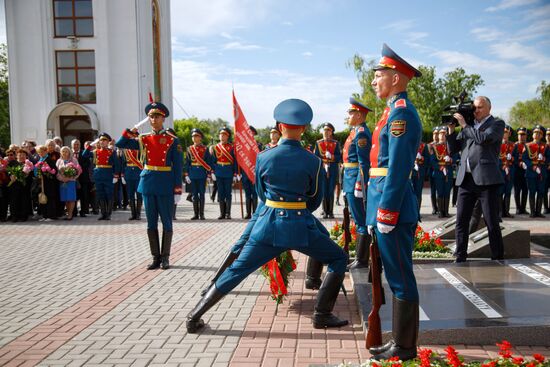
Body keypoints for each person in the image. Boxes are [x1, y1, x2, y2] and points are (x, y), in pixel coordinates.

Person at [186, 98, 349, 333]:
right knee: (338, 258)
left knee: (237, 271)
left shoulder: (263, 157)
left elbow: (262, 194)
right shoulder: (313, 161)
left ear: (280, 126)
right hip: (301, 226)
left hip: (268, 226)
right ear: (303, 128)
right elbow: (314, 198)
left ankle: (194, 316)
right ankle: (322, 314)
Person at [365, 44, 422, 361]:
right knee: (394, 275)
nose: (374, 81)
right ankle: (399, 342)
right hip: (384, 203)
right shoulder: (391, 112)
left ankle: (405, 346)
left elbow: (398, 167)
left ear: (396, 78)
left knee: (401, 276)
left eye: (378, 75)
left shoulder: (401, 114)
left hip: (394, 208)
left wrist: (386, 210)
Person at [116, 102, 183, 270]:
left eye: (157, 116)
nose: (154, 119)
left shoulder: (172, 140)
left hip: (165, 183)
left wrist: (177, 188)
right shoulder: (142, 138)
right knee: (151, 223)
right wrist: (130, 132)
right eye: (151, 116)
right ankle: (156, 257)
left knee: (167, 222)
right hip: (147, 183)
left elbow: (178, 166)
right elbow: (120, 144)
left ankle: (166, 257)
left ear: (163, 118)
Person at [447, 96, 505, 262]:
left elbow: (483, 139)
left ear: (489, 108)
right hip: (466, 179)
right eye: (474, 108)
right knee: (461, 221)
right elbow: (453, 149)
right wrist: (452, 130)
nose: (476, 110)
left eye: (480, 107)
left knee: (491, 221)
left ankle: (498, 256)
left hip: (487, 181)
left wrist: (464, 125)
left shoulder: (497, 124)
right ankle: (460, 256)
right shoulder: (470, 126)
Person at [343, 97, 372, 270]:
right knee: (356, 219)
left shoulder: (361, 132)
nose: (348, 115)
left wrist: (360, 184)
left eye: (351, 112)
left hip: (355, 180)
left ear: (359, 115)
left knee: (361, 220)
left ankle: (361, 261)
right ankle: (358, 258)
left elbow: (364, 162)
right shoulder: (355, 131)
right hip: (349, 178)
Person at [87, 133, 120, 220]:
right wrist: (91, 145)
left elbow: (117, 164)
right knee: (100, 194)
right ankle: (103, 213)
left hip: (108, 175)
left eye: (104, 140)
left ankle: (108, 214)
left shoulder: (112, 152)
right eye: (101, 140)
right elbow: (84, 155)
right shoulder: (95, 151)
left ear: (108, 142)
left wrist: (116, 176)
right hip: (98, 175)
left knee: (108, 194)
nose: (102, 142)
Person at [314, 122, 342, 219]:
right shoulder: (318, 143)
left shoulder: (335, 143)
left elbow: (339, 157)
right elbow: (316, 157)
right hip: (322, 169)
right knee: (323, 190)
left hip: (332, 169)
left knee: (330, 190)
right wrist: (323, 162)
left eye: (328, 130)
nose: (325, 132)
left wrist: (332, 156)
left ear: (331, 132)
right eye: (324, 130)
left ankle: (331, 212)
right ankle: (325, 211)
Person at [185, 128, 212, 220]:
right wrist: (186, 174)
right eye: (192, 136)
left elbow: (208, 162)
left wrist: (209, 175)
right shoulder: (189, 149)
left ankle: (202, 214)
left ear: (200, 137)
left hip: (201, 174)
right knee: (194, 195)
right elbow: (187, 163)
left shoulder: (205, 149)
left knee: (202, 194)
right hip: (192, 173)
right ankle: (195, 214)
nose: (194, 138)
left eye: (196, 136)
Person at [522, 125, 548, 218]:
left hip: (541, 172)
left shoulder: (545, 146)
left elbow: (549, 158)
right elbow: (524, 158)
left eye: (539, 133)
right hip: (531, 173)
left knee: (541, 192)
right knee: (532, 192)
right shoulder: (528, 145)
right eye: (535, 132)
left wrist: (544, 158)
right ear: (532, 134)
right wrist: (532, 167)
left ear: (541, 136)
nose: (537, 134)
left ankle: (538, 212)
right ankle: (532, 212)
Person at [430, 126, 454, 218]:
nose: (442, 136)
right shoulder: (434, 147)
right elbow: (432, 160)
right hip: (438, 172)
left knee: (447, 191)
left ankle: (446, 211)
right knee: (440, 191)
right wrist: (440, 168)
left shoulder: (450, 146)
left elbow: (455, 157)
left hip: (448, 171)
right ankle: (440, 211)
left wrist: (450, 159)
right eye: (441, 134)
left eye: (444, 134)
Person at [241, 126, 262, 219]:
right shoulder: (242, 146)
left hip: (255, 173)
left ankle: (255, 213)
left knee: (255, 193)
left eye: (251, 134)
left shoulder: (258, 145)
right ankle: (248, 213)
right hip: (245, 173)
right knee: (247, 194)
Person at [56, 146, 82, 220]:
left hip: (71, 182)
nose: (64, 153)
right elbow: (56, 172)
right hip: (62, 182)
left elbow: (78, 171)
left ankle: (70, 214)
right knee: (65, 198)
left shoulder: (74, 160)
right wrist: (62, 178)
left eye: (66, 151)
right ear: (61, 152)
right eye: (63, 151)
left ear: (69, 152)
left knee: (71, 198)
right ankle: (68, 213)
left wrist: (69, 178)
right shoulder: (59, 161)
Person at [72, 139, 93, 217]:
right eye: (75, 144)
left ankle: (83, 211)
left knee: (84, 195)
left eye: (78, 144)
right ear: (72, 145)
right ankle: (73, 211)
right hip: (72, 177)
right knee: (74, 195)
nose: (76, 146)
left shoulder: (84, 153)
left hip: (83, 178)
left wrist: (78, 169)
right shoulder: (70, 153)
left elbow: (87, 164)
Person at [122, 146, 143, 220]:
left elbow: (144, 162)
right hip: (129, 174)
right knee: (130, 195)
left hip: (138, 174)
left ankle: (138, 214)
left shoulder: (141, 149)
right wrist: (122, 174)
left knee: (139, 194)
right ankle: (133, 214)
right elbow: (123, 163)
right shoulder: (125, 150)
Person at [499, 125, 515, 218]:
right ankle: (500, 212)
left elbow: (516, 158)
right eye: (503, 132)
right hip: (500, 170)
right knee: (500, 191)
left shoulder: (513, 145)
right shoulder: (497, 145)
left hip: (510, 170)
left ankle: (507, 212)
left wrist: (512, 158)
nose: (505, 134)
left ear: (509, 134)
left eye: (506, 133)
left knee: (508, 191)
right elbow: (495, 158)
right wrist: (502, 165)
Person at [411, 137, 429, 216]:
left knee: (418, 192)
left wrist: (421, 158)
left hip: (419, 173)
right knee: (411, 192)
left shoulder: (423, 146)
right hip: (410, 172)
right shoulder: (408, 143)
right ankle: (411, 212)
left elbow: (427, 159)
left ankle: (417, 212)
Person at [513, 127, 528, 214]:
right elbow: (512, 158)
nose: (521, 136)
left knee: (525, 190)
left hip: (526, 170)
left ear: (526, 135)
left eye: (523, 134)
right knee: (517, 190)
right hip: (517, 170)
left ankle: (523, 208)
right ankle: (518, 208)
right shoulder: (514, 145)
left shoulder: (528, 145)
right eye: (520, 134)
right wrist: (518, 163)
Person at [427, 126, 440, 215]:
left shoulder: (442, 145)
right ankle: (434, 208)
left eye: (437, 134)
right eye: (434, 134)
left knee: (439, 190)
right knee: (433, 190)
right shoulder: (429, 145)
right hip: (431, 171)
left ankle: (440, 207)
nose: (435, 136)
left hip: (440, 170)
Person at [544, 128, 550, 214]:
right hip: (544, 171)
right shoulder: (543, 146)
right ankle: (545, 208)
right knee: (544, 190)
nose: (549, 137)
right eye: (547, 135)